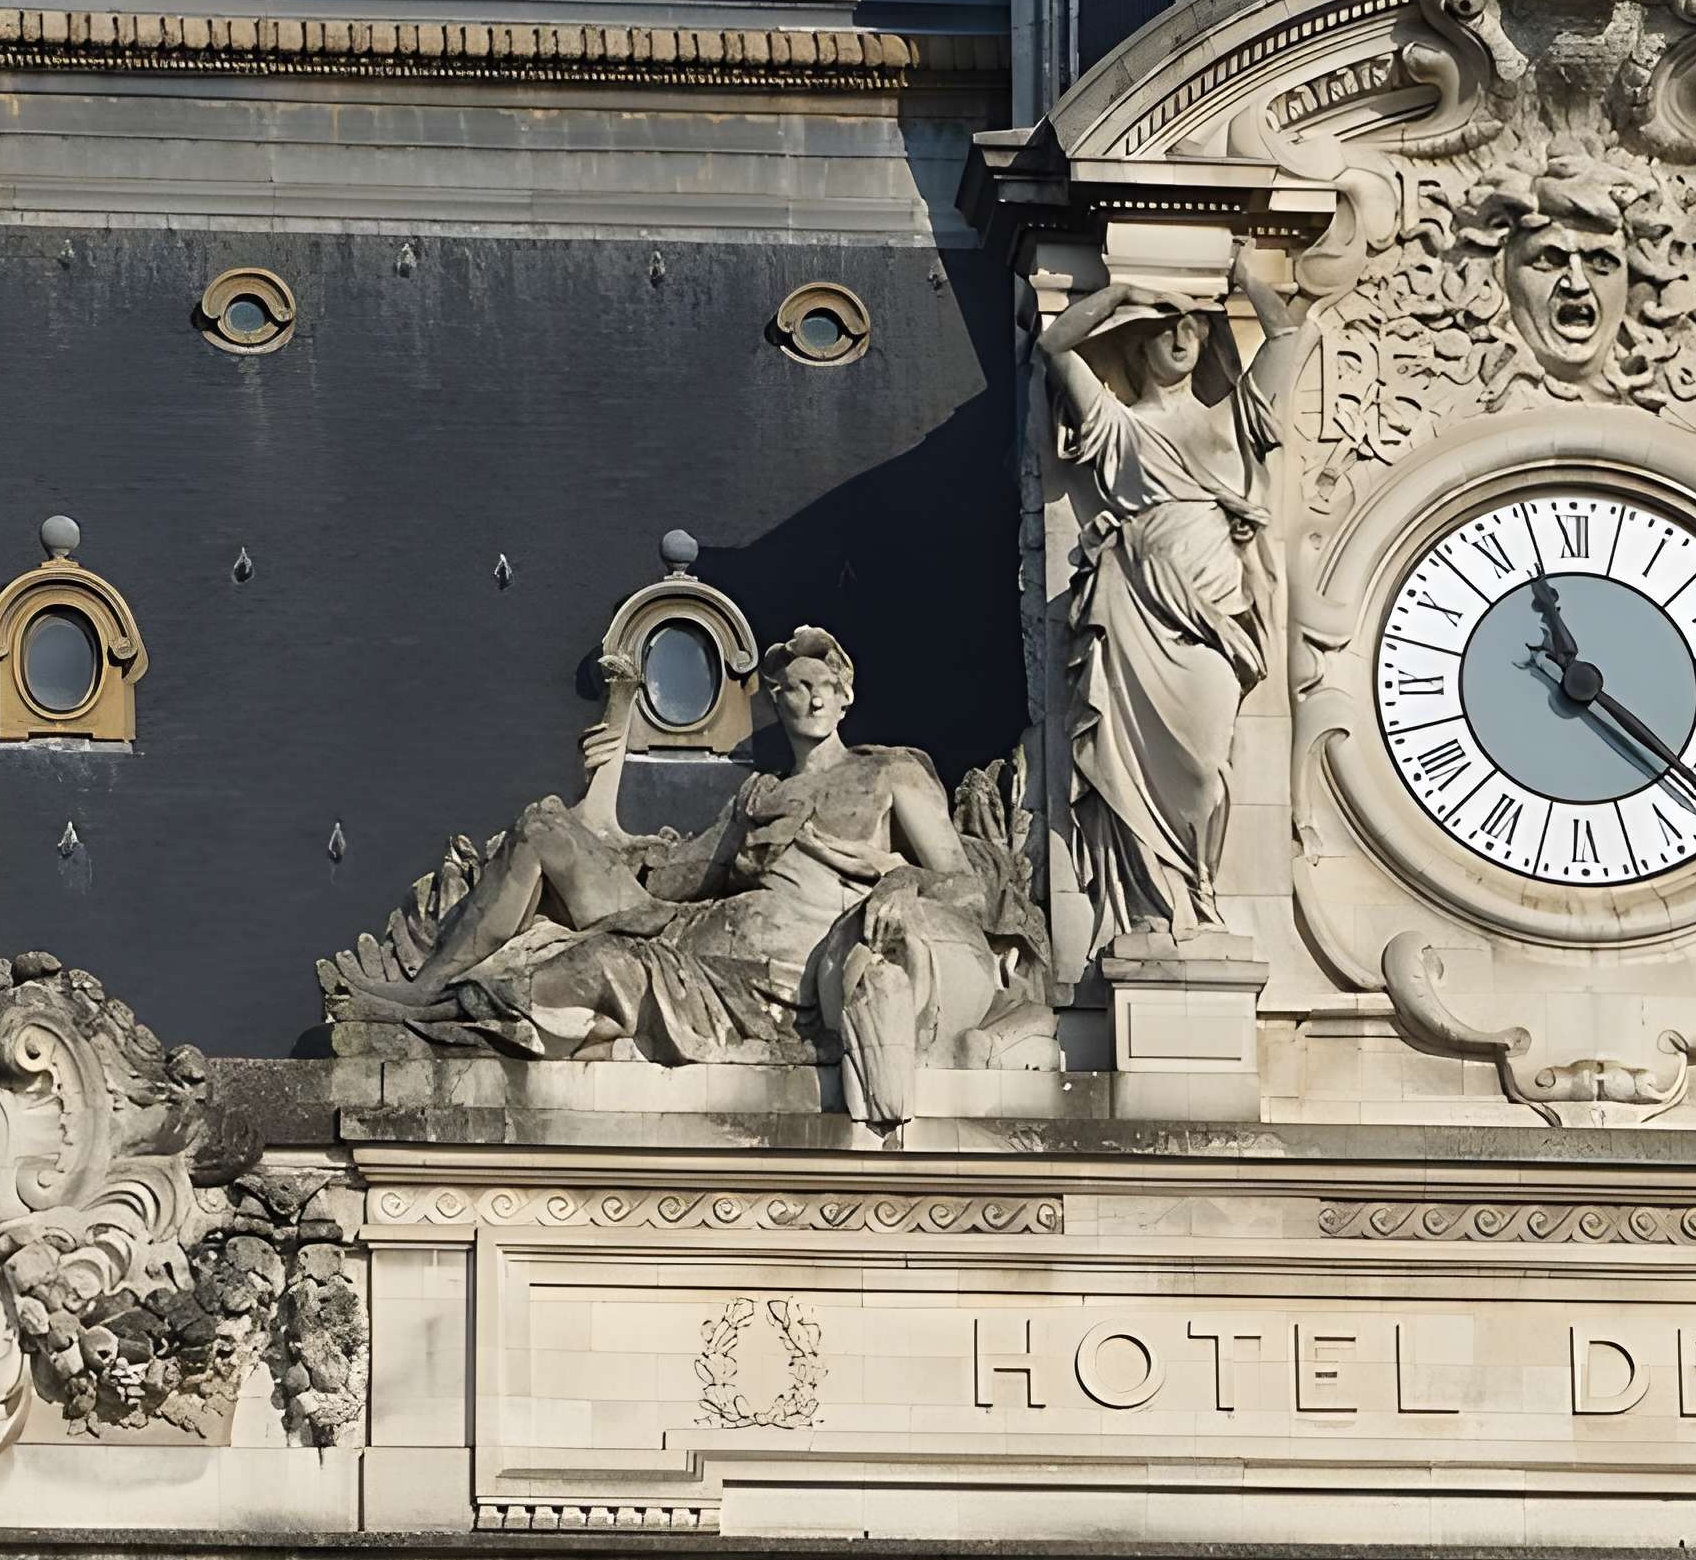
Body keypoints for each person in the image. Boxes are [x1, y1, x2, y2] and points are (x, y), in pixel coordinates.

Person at [336, 629, 984, 1069]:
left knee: (585, 970)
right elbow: (668, 878)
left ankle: (442, 1011)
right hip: (690, 931)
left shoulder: (889, 775)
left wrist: (903, 884)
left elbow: (963, 884)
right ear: (777, 700)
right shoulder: (757, 797)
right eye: (794, 686)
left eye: (824, 686)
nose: (811, 698)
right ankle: (424, 992)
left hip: (780, 971)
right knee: (543, 831)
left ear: (845, 697)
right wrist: (603, 783)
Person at [1045, 247, 1301, 951]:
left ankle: (1202, 882)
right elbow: (1054, 342)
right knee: (1141, 766)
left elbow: (1284, 337)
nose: (1182, 337)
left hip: (1215, 614)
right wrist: (1124, 289)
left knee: (1210, 770)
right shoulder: (1119, 427)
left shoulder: (1229, 419)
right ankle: (1163, 901)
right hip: (1140, 608)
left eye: (1191, 326)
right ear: (1138, 343)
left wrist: (1247, 277)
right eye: (1165, 327)